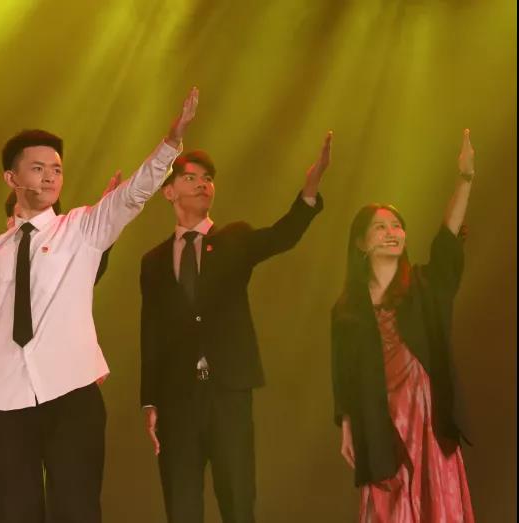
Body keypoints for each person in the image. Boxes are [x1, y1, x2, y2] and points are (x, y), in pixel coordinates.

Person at [0, 87, 198, 523]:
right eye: (37, 168)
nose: (49, 177)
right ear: (11, 178)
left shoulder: (81, 228)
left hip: (71, 394)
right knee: (13, 513)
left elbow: (132, 195)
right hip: (9, 400)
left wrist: (171, 143)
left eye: (56, 169)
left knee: (76, 510)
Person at [140, 133, 332, 522]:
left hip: (228, 392)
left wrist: (311, 187)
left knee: (238, 500)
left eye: (208, 178)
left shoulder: (234, 240)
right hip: (178, 399)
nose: (202, 184)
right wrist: (150, 400)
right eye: (191, 177)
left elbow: (282, 235)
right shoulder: (154, 260)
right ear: (169, 191)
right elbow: (151, 332)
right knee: (181, 505)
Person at [331, 130, 476, 522]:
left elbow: (448, 240)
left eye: (397, 226)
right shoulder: (346, 310)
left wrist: (464, 179)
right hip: (379, 420)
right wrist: (347, 425)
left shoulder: (425, 287)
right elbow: (344, 374)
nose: (392, 233)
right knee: (389, 504)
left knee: (434, 501)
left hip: (426, 416)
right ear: (361, 243)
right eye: (381, 227)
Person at [0, 178, 120, 520]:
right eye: (17, 216)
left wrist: (105, 221)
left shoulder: (69, 261)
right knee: (15, 505)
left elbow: (93, 260)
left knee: (74, 503)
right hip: (9, 402)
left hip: (67, 395)